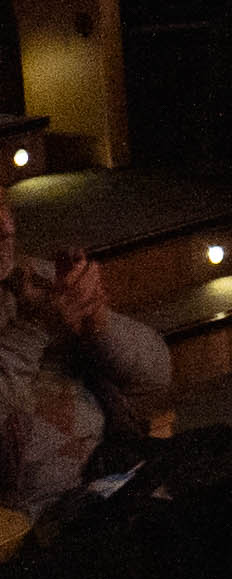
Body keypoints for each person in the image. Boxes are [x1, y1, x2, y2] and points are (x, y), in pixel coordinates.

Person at [0, 184, 173, 516]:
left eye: (3, 204)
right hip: (31, 525)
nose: (7, 228)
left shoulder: (29, 277)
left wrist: (98, 325)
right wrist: (37, 328)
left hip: (111, 477)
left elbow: (157, 374)